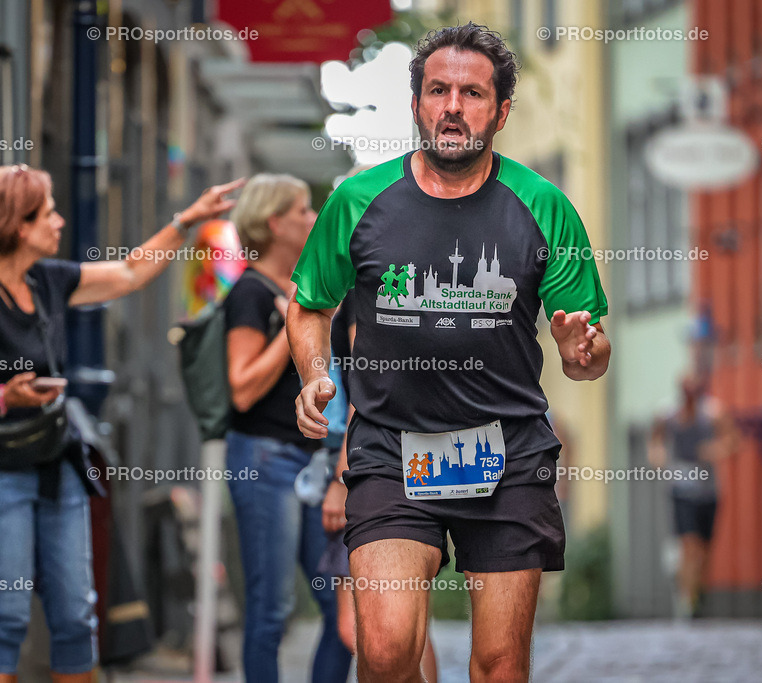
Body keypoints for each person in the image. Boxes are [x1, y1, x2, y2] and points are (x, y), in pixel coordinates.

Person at [287, 23, 611, 683]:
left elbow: (589, 355)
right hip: (392, 450)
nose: (453, 107)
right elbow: (310, 305)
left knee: (499, 664)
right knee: (384, 653)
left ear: (501, 111)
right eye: (438, 91)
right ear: (416, 104)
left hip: (508, 453)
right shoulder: (358, 200)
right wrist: (315, 374)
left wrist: (581, 349)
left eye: (472, 93)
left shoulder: (544, 206)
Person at [0, 163, 242, 681]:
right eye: (48, 214)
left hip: (58, 464)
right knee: (6, 619)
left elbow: (130, 273)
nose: (60, 221)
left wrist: (186, 221)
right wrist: (1, 395)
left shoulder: (47, 280)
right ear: (17, 225)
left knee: (76, 618)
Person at [223, 174, 351, 683]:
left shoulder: (311, 291)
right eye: (302, 210)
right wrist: (291, 328)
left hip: (314, 462)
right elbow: (241, 388)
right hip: (265, 459)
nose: (314, 217)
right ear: (274, 223)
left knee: (341, 606)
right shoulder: (251, 293)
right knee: (271, 608)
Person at [319, 291, 439, 682]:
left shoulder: (364, 286)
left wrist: (343, 476)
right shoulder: (363, 286)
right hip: (397, 459)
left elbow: (368, 386)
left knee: (372, 629)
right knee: (404, 625)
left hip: (375, 464)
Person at [648, 373, 738, 619]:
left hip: (709, 490)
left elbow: (733, 440)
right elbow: (655, 442)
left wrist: (715, 449)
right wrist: (658, 457)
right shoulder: (668, 414)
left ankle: (696, 592)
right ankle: (687, 603)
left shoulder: (713, 412)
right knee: (690, 546)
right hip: (681, 488)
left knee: (705, 551)